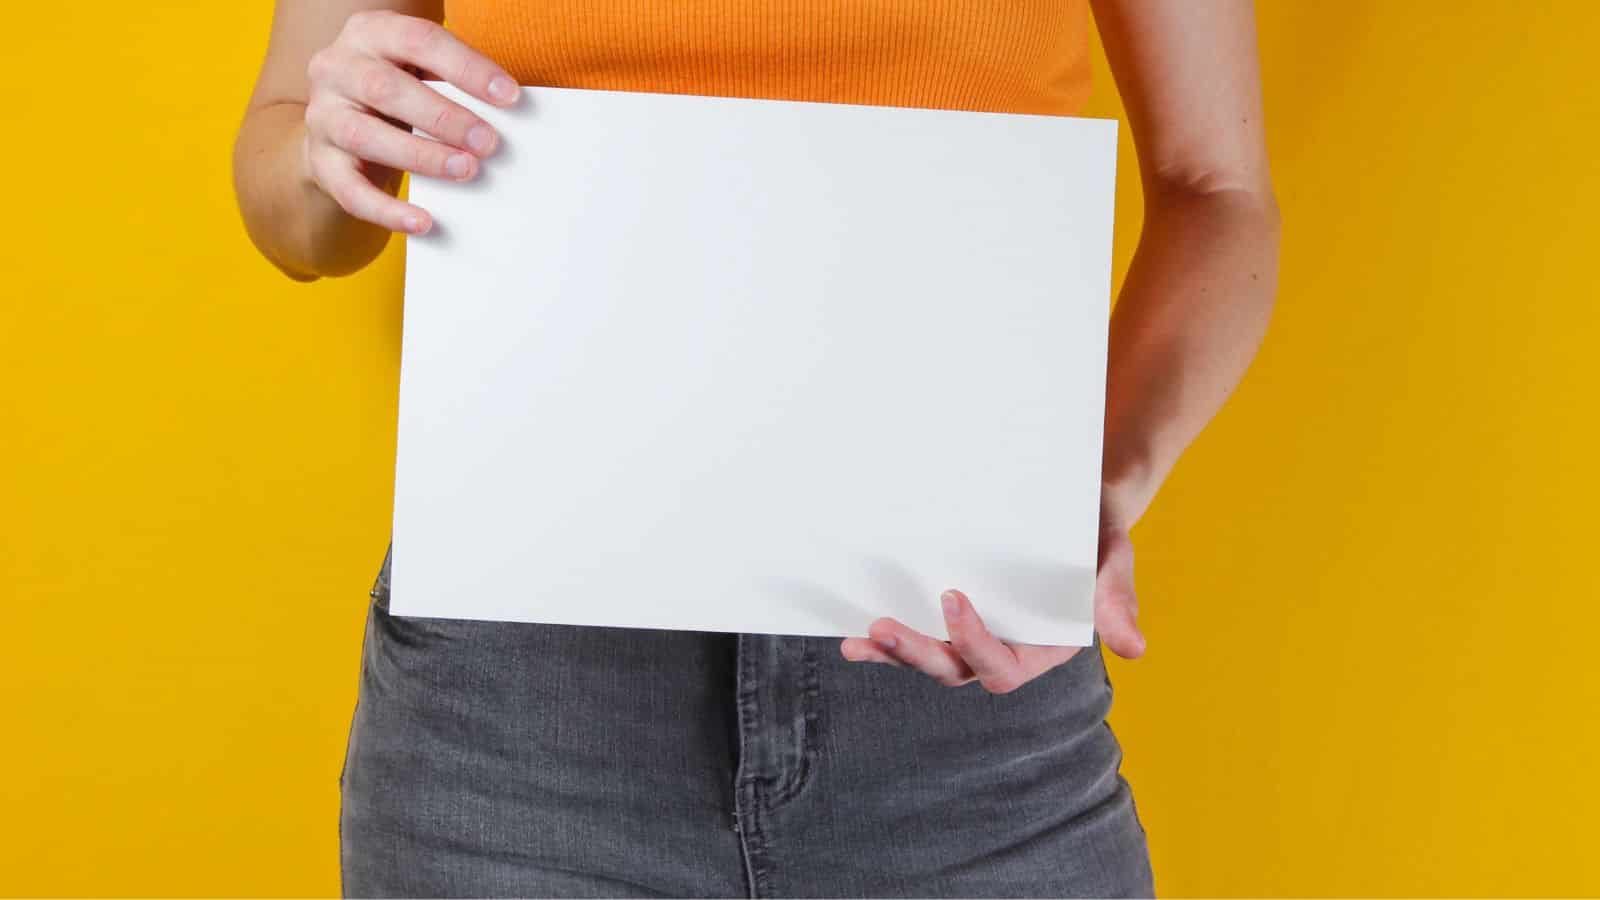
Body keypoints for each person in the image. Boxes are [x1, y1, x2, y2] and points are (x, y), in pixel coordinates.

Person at [232, 1, 1279, 896]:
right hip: (520, 706)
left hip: (964, 683)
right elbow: (289, 181)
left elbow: (1215, 188)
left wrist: (1092, 485)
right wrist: (332, 153)